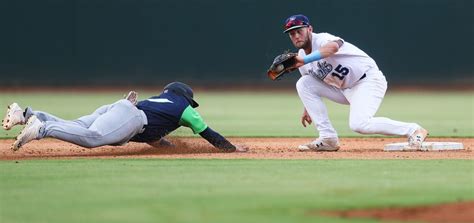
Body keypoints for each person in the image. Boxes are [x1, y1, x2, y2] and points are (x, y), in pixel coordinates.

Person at [280, 14, 428, 151]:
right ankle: (328, 139)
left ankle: (413, 130)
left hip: (368, 80)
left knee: (359, 124)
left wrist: (304, 60)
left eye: (299, 31)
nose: (296, 35)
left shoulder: (322, 39)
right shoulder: (301, 58)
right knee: (303, 83)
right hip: (344, 89)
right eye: (292, 33)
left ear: (309, 29)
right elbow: (310, 83)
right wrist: (308, 108)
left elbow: (333, 47)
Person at [2, 82, 247, 152]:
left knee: (77, 125)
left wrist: (167, 148)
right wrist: (232, 149)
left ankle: (26, 115)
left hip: (120, 107)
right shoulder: (184, 108)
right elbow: (209, 133)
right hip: (131, 117)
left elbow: (153, 136)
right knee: (93, 138)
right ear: (186, 97)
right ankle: (41, 129)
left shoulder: (161, 103)